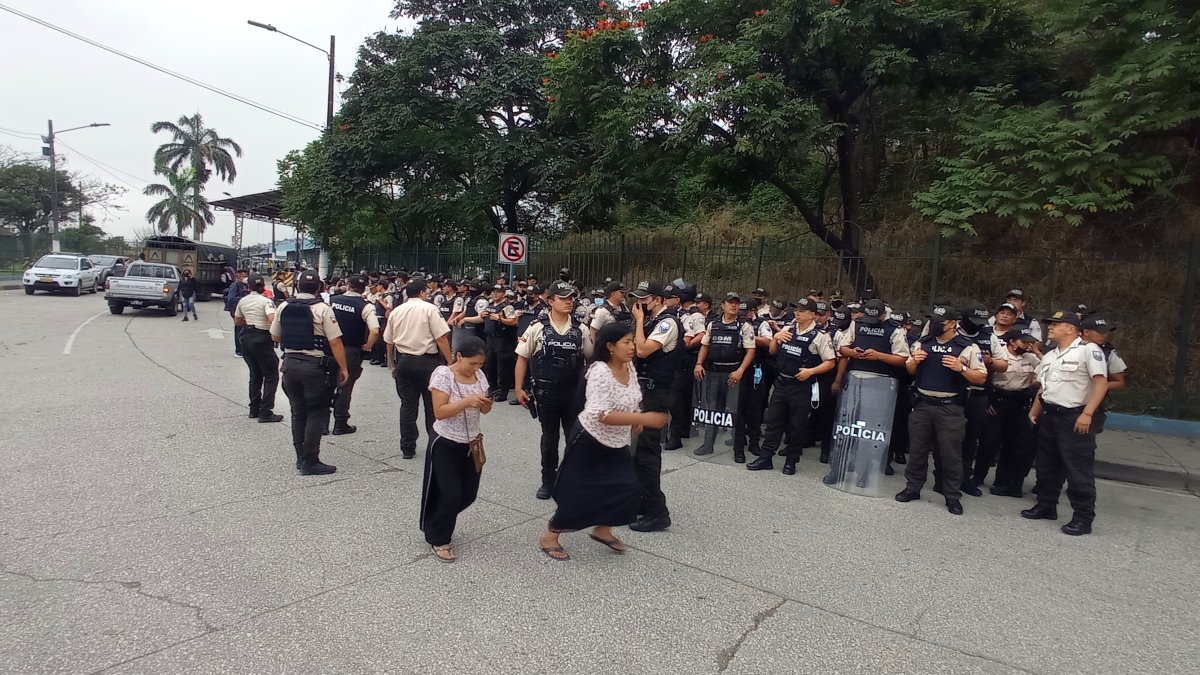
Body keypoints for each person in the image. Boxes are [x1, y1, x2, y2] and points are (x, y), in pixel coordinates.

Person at [538, 322, 669, 560]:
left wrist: (636, 413)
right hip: (590, 438)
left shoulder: (628, 364)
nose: (632, 347)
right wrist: (643, 417)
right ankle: (550, 535)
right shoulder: (599, 371)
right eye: (626, 342)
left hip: (617, 442)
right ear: (610, 346)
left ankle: (602, 529)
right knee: (578, 493)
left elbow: (633, 394)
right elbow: (602, 415)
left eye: (632, 341)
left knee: (626, 489)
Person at [1021, 310, 1109, 536]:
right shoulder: (1050, 355)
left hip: (1075, 415)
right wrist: (1034, 410)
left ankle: (1083, 517)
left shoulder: (1088, 350)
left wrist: (1088, 414)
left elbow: (1101, 384)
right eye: (1049, 324)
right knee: (1047, 464)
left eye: (1055, 324)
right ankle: (1046, 505)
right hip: (1050, 415)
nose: (1049, 328)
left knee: (1077, 468)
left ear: (1070, 328)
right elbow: (1044, 387)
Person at [895, 306, 987, 516]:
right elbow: (909, 370)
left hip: (950, 407)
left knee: (950, 454)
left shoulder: (966, 347)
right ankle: (913, 487)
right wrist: (914, 363)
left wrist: (961, 368)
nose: (935, 324)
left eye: (940, 321)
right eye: (933, 320)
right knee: (917, 450)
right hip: (922, 404)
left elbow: (981, 377)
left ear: (953, 323)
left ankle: (952, 495)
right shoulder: (923, 342)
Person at [515, 281, 594, 499]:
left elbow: (592, 359)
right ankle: (547, 481)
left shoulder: (581, 329)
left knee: (574, 438)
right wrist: (519, 388)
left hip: (574, 394)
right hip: (547, 393)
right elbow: (522, 358)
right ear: (551, 301)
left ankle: (570, 480)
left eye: (571, 298)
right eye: (563, 298)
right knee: (549, 439)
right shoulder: (537, 327)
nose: (569, 301)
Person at [421, 336, 494, 563]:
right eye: (472, 363)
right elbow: (440, 411)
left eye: (480, 364)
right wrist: (466, 401)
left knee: (468, 494)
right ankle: (439, 537)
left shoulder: (479, 375)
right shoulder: (443, 374)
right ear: (459, 356)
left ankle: (437, 520)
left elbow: (484, 411)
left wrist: (486, 404)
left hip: (471, 442)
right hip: (446, 440)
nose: (476, 368)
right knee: (449, 493)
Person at [270, 270, 350, 474]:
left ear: (297, 285)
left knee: (298, 412)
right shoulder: (323, 309)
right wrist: (343, 368)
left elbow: (275, 336)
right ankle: (310, 460)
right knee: (317, 412)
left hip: (289, 364)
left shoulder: (284, 306)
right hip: (314, 366)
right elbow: (335, 341)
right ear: (318, 288)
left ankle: (300, 457)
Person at [749, 298, 837, 474]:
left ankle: (791, 461)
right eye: (797, 310)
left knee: (797, 425)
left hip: (802, 386)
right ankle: (766, 458)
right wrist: (775, 337)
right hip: (782, 382)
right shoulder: (788, 330)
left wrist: (811, 372)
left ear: (812, 315)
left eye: (802, 311)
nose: (797, 313)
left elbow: (831, 362)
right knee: (773, 421)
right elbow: (773, 351)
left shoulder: (820, 336)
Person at [628, 280, 682, 532]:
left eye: (644, 299)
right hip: (644, 391)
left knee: (648, 453)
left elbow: (643, 350)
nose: (639, 304)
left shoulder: (667, 322)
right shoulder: (652, 321)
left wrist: (638, 321)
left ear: (658, 299)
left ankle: (658, 512)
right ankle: (643, 500)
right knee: (639, 453)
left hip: (656, 393)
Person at [385, 281, 454, 459]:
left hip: (404, 362)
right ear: (423, 293)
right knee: (433, 407)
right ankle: (434, 445)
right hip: (427, 363)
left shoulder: (397, 311)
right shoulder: (429, 309)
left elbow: (389, 341)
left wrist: (392, 364)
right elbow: (441, 338)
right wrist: (450, 362)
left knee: (407, 407)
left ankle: (407, 447)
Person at [692, 291, 757, 460]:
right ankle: (708, 444)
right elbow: (705, 346)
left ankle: (738, 449)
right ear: (723, 306)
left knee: (735, 412)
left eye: (736, 303)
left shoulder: (744, 325)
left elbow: (751, 351)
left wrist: (740, 371)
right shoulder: (713, 325)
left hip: (733, 374)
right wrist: (699, 364)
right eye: (730, 303)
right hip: (713, 373)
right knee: (712, 410)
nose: (733, 305)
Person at [958, 302, 1008, 496]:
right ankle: (944, 476)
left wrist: (991, 362)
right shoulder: (954, 332)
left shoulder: (989, 336)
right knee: (950, 437)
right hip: (955, 391)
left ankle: (965, 478)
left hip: (979, 393)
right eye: (973, 322)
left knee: (971, 437)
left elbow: (1004, 364)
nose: (977, 326)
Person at [985, 327, 1041, 496]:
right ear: (1012, 342)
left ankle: (1005, 482)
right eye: (1024, 342)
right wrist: (987, 402)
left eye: (1029, 342)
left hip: (1020, 401)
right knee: (990, 441)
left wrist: (1037, 352)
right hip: (998, 399)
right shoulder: (999, 354)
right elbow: (986, 377)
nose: (1027, 345)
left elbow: (1049, 369)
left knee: (1015, 444)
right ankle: (978, 476)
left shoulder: (1031, 357)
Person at [328, 276, 380, 435]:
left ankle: (322, 423)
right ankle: (340, 423)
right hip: (351, 350)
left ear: (348, 285)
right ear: (364, 289)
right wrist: (367, 347)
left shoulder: (332, 300)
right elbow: (375, 330)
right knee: (345, 386)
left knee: (327, 383)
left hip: (329, 347)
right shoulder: (365, 306)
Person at [234, 274, 283, 423]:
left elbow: (237, 321)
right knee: (270, 374)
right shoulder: (266, 301)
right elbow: (272, 320)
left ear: (248, 286)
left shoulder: (243, 301)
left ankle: (253, 409)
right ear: (263, 286)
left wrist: (249, 320)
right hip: (261, 338)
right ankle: (266, 411)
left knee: (255, 374)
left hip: (246, 338)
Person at [1080, 314, 1127, 434]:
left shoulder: (1108, 352)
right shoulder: (1069, 348)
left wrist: (1099, 385)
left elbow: (1120, 383)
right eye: (1100, 332)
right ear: (1085, 332)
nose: (1104, 335)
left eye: (1105, 332)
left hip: (1093, 404)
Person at [225, 269, 250, 358]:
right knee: (239, 330)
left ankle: (244, 349)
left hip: (245, 311)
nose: (246, 278)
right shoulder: (235, 285)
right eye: (244, 276)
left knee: (245, 330)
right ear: (238, 276)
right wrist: (244, 300)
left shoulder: (246, 285)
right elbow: (231, 299)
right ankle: (239, 351)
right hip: (236, 311)